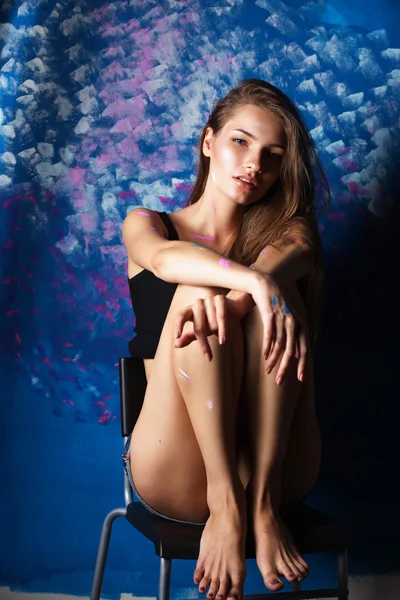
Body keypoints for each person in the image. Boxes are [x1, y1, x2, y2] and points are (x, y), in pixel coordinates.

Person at [121, 78, 330, 600]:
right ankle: (225, 501)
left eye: (272, 155)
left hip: (276, 466)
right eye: (240, 141)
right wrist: (252, 282)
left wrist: (255, 289)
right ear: (208, 141)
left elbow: (295, 255)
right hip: (178, 463)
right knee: (196, 285)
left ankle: (256, 504)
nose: (254, 164)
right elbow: (168, 262)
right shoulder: (150, 223)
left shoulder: (292, 231)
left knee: (273, 292)